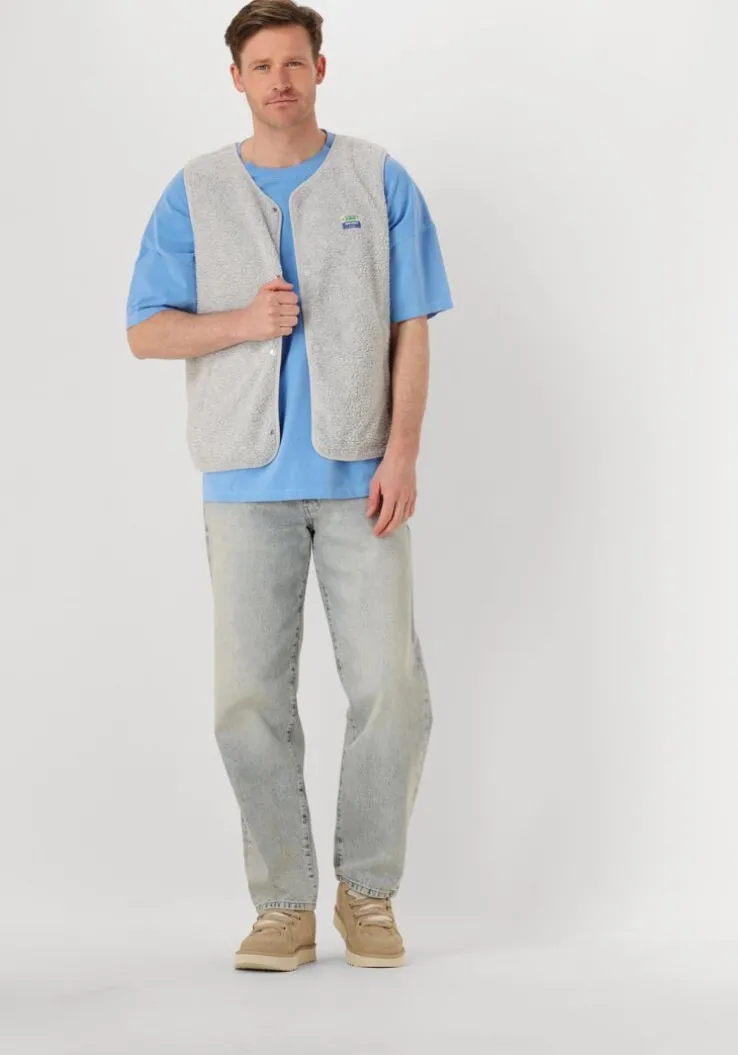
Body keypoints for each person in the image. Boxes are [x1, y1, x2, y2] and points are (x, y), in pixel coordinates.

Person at [126, 0, 453, 972]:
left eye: (295, 62)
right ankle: (282, 907)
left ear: (321, 69)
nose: (280, 79)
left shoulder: (377, 178)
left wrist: (403, 452)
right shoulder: (194, 191)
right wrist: (241, 320)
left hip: (363, 481)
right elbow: (146, 329)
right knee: (245, 701)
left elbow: (412, 324)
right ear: (237, 77)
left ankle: (368, 892)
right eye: (262, 65)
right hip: (243, 481)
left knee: (391, 689)